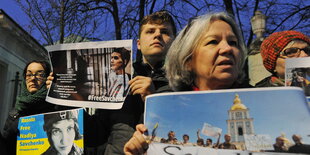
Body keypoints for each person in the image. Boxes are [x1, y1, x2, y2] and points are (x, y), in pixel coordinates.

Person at [124, 11, 248, 154]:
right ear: (188, 60)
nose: (227, 48)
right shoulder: (170, 103)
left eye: (233, 42)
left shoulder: (268, 100)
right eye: (213, 41)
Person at [1, 60, 58, 155]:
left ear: (48, 78)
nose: (33, 78)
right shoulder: (16, 112)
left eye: (40, 75)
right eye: (29, 75)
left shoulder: (57, 107)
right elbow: (6, 146)